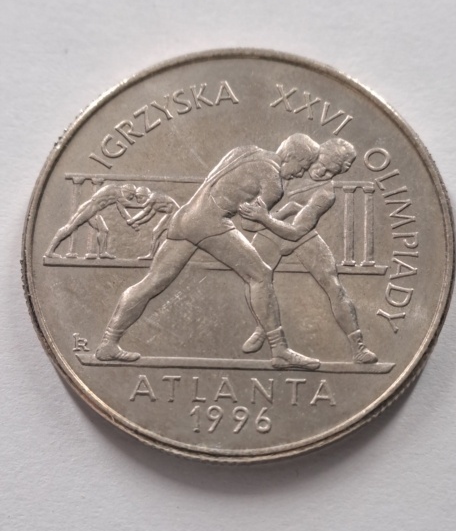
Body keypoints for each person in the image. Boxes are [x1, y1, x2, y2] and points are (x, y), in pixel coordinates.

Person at [95, 134, 322, 370]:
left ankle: (107, 343)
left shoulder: (245, 149)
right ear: (291, 156)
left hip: (184, 217)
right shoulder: (273, 182)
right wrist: (273, 220)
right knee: (261, 274)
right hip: (210, 223)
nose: (301, 174)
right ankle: (280, 351)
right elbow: (249, 224)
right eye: (303, 166)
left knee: (152, 282)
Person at [238, 138, 377, 364]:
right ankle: (264, 327)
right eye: (322, 164)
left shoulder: (325, 193)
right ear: (316, 154)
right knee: (253, 278)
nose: (323, 172)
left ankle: (358, 348)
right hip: (270, 232)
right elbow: (250, 221)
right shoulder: (289, 166)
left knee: (333, 286)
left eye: (332, 171)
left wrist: (266, 218)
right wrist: (282, 212)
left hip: (301, 236)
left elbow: (295, 232)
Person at [46, 183, 137, 258]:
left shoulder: (117, 194)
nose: (131, 197)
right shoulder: (116, 191)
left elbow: (122, 209)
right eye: (131, 195)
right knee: (69, 228)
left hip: (93, 211)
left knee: (104, 230)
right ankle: (49, 251)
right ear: (126, 190)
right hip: (88, 208)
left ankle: (102, 253)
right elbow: (126, 203)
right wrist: (143, 205)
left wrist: (130, 219)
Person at [126, 186, 180, 259]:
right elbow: (148, 216)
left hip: (176, 214)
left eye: (140, 197)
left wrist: (132, 220)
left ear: (146, 195)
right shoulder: (154, 204)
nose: (138, 200)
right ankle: (152, 255)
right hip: (171, 214)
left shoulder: (153, 197)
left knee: (158, 232)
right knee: (156, 233)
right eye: (137, 198)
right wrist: (138, 223)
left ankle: (157, 255)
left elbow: (144, 209)